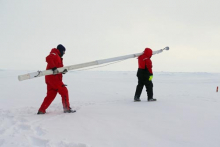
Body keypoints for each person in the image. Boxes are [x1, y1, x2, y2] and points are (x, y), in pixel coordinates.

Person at [37, 44, 76, 114]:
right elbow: (48, 58)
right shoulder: (54, 54)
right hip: (54, 79)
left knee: (51, 95)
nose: (64, 53)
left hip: (51, 79)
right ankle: (66, 109)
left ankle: (41, 110)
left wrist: (63, 71)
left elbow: (59, 68)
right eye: (63, 52)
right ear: (61, 50)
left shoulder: (58, 57)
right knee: (64, 91)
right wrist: (53, 67)